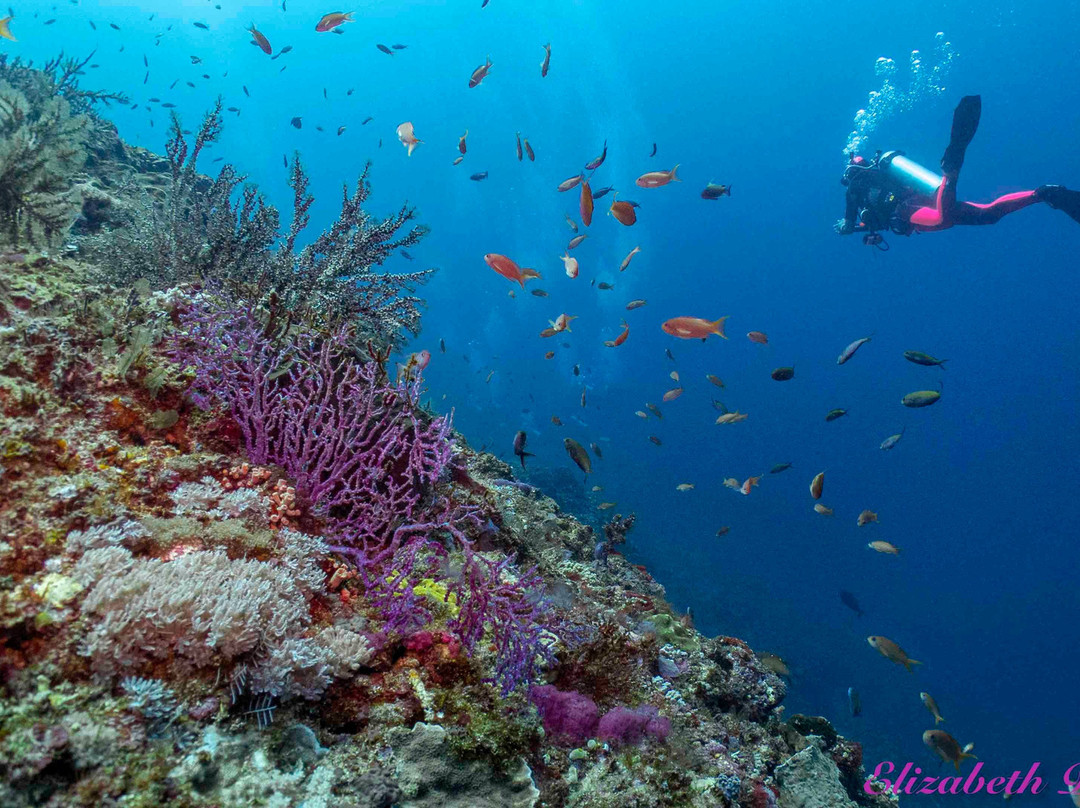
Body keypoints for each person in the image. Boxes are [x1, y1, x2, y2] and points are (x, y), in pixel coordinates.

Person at [836, 95, 1080, 243]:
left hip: (907, 209)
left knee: (944, 219)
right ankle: (1042, 194)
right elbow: (873, 222)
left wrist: (848, 227)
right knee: (988, 216)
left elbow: (854, 222)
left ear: (848, 177)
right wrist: (863, 229)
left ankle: (950, 173)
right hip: (927, 194)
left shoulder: (854, 192)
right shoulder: (879, 175)